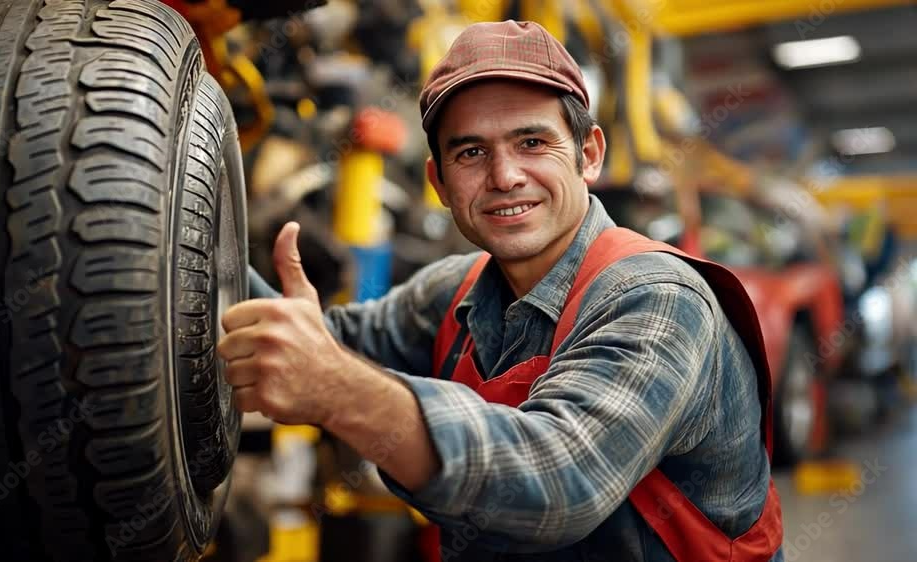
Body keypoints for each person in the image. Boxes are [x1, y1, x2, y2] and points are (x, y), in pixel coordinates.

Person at [218, 20, 784, 562]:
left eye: (532, 142)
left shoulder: (659, 300)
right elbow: (310, 347)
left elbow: (560, 481)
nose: (504, 175)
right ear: (438, 182)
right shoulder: (453, 293)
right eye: (470, 152)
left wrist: (342, 392)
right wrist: (192, 242)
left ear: (589, 154)